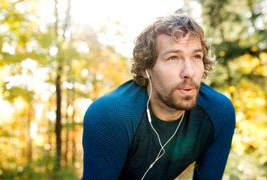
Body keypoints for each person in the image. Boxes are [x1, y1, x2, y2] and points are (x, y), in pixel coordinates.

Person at [82, 14, 235, 180]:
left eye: (196, 56)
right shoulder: (111, 116)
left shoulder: (218, 113)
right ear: (146, 69)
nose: (189, 72)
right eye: (173, 58)